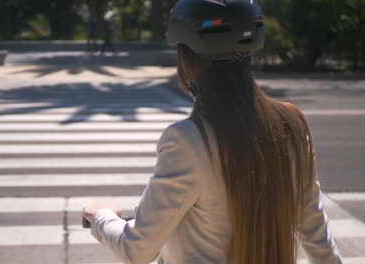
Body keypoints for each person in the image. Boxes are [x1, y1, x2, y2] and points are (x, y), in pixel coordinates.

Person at [83, 0, 344, 263]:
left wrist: (101, 216)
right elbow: (318, 240)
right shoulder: (292, 125)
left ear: (186, 57)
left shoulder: (187, 139)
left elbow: (137, 249)